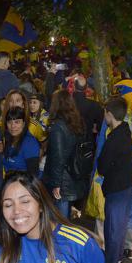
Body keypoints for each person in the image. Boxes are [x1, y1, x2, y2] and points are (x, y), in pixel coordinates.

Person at [97, 97, 132, 263]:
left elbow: (103, 167)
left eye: (105, 113)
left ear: (110, 114)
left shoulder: (114, 139)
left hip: (117, 188)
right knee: (120, 225)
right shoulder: (124, 131)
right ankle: (117, 258)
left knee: (113, 228)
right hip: (127, 185)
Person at [43, 89, 87, 219]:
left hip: (62, 180)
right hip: (74, 175)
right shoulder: (78, 123)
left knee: (58, 220)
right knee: (64, 218)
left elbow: (58, 157)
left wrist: (56, 184)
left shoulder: (58, 127)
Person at [2, 106, 41, 176]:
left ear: (23, 124)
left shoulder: (29, 143)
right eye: (9, 122)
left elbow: (33, 176)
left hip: (25, 184)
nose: (13, 126)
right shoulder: (8, 138)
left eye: (17, 122)